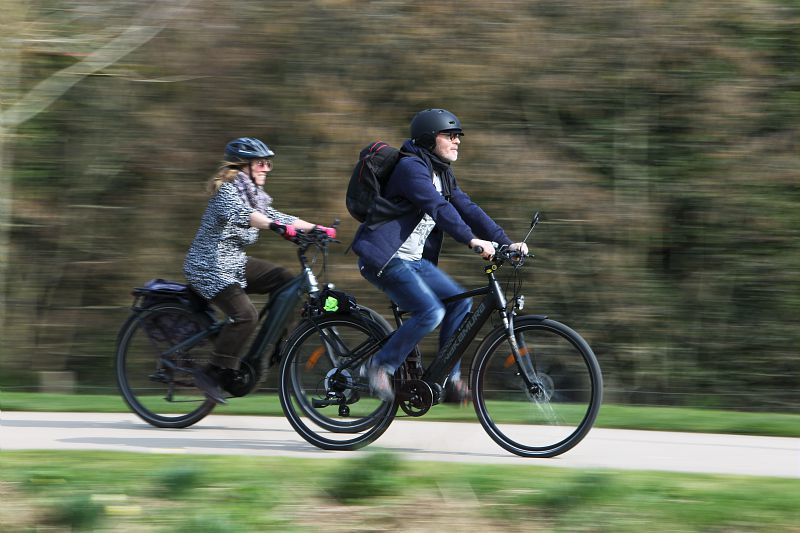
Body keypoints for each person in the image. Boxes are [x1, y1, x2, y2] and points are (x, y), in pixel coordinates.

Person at [351, 108, 528, 402]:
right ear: (430, 138)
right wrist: (471, 240)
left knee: (460, 303)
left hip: (413, 261)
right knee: (431, 311)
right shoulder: (411, 169)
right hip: (385, 258)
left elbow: (468, 209)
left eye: (458, 136)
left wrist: (505, 242)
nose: (457, 141)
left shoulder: (442, 173)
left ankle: (448, 378)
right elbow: (439, 208)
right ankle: (379, 366)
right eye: (450, 135)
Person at [184, 137, 335, 404]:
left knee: (287, 282)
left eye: (269, 163)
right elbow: (244, 214)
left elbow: (277, 216)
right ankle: (211, 372)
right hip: (208, 265)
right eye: (262, 163)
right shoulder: (226, 191)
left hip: (233, 262)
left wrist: (316, 228)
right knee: (245, 315)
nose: (267, 168)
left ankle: (273, 344)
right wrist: (275, 227)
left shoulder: (255, 195)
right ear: (244, 165)